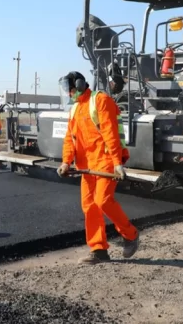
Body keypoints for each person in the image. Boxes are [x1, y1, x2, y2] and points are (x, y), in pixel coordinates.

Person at [56, 71, 139, 264]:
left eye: (71, 90)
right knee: (89, 206)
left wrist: (117, 163)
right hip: (86, 165)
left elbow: (111, 133)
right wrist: (66, 161)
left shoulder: (100, 101)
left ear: (79, 84)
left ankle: (131, 234)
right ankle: (98, 249)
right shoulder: (75, 109)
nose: (69, 95)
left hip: (105, 161)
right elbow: (70, 138)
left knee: (103, 201)